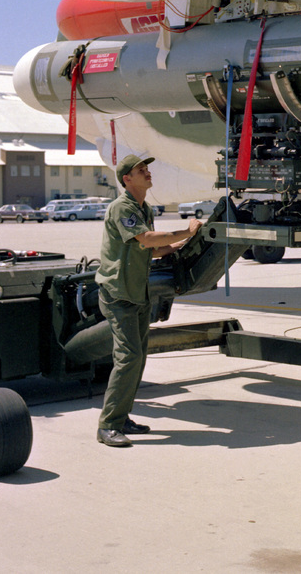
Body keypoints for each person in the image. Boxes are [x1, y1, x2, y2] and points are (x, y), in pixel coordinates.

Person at [95, 154, 203, 448]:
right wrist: (186, 230)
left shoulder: (143, 209)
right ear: (127, 179)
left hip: (136, 291)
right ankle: (108, 425)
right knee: (128, 357)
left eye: (147, 168)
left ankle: (122, 416)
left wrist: (177, 245)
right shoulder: (123, 207)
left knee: (138, 358)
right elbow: (145, 239)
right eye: (141, 170)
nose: (147, 172)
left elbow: (150, 250)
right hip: (119, 294)